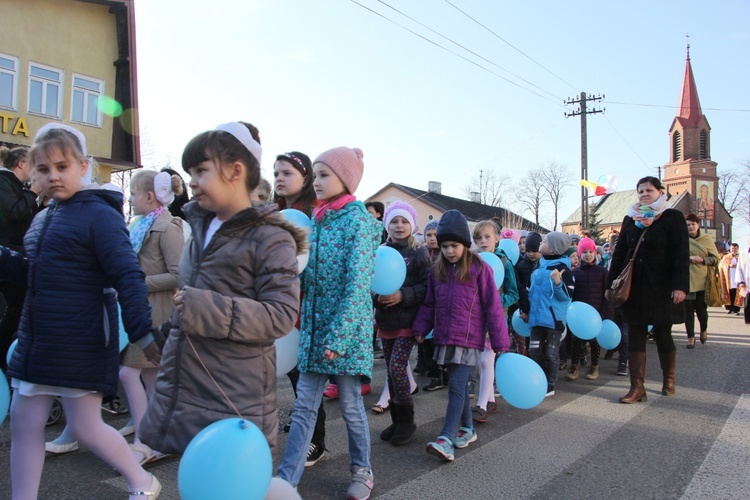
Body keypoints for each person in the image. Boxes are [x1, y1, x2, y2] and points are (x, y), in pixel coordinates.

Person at [1, 123, 161, 499]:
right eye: (43, 169)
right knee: (25, 423)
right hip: (39, 336)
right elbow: (35, 273)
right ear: (34, 172)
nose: (53, 176)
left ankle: (141, 481)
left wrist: (141, 331)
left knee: (87, 426)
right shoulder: (44, 217)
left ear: (83, 165)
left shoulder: (100, 215)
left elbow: (127, 273)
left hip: (81, 338)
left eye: (62, 166)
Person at [139, 122, 306, 458]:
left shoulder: (271, 238)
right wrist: (161, 338)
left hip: (232, 390)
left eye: (201, 170)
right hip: (189, 382)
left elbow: (281, 316)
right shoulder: (200, 229)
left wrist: (202, 307)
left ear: (236, 171)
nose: (191, 182)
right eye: (190, 172)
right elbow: (190, 300)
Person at [277, 146, 381, 500]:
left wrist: (338, 337)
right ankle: (285, 481)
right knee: (304, 406)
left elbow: (357, 287)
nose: (316, 182)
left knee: (351, 405)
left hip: (345, 335)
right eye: (315, 174)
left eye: (324, 175)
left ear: (345, 180)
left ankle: (362, 471)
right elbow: (308, 277)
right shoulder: (314, 221)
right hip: (313, 331)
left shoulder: (360, 223)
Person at [412, 209, 509, 462]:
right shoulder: (437, 271)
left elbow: (493, 307)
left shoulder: (480, 269)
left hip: (469, 338)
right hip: (446, 336)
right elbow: (429, 304)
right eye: (444, 246)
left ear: (465, 244)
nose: (449, 251)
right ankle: (467, 429)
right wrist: (420, 329)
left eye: (454, 245)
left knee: (456, 385)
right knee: (458, 388)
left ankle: (446, 437)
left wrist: (500, 341)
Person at [117, 170, 184, 465]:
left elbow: (179, 274)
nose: (130, 199)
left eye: (133, 193)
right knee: (151, 378)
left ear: (149, 196)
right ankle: (155, 434)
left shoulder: (168, 227)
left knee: (128, 373)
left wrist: (139, 282)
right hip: (140, 311)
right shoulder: (140, 225)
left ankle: (144, 437)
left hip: (157, 314)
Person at [608, 176, 688, 403]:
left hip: (662, 288)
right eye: (640, 191)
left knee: (663, 334)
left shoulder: (672, 217)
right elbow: (621, 254)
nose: (644, 194)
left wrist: (680, 286)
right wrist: (610, 284)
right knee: (635, 335)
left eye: (649, 190)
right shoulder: (630, 218)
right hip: (635, 288)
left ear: (660, 192)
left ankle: (668, 379)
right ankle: (637, 388)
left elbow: (680, 253)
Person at [273, 150, 329, 467]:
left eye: (286, 173)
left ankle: (316, 440)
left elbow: (314, 264)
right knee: (291, 373)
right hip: (278, 304)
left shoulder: (313, 215)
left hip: (305, 308)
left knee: (303, 378)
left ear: (304, 177)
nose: (279, 178)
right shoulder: (276, 213)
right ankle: (303, 424)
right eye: (276, 173)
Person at [373, 201, 430, 446]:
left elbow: (427, 287)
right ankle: (395, 420)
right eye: (394, 221)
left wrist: (402, 295)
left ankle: (407, 420)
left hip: (408, 320)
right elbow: (371, 282)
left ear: (412, 224)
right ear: (387, 225)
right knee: (391, 371)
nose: (399, 226)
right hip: (386, 319)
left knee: (398, 368)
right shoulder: (380, 251)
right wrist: (378, 297)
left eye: (404, 221)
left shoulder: (419, 253)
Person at [471, 220, 518, 423]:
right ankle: (489, 400)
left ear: (497, 238)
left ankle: (481, 405)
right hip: (475, 317)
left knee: (486, 359)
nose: (483, 241)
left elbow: (513, 293)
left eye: (487, 237)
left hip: (496, 318)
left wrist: (496, 300)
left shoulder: (504, 262)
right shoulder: (473, 260)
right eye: (479, 238)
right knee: (480, 360)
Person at [0, 145, 40, 369]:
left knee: (19, 306)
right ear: (22, 163)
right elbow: (13, 213)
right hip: (7, 257)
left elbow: (27, 219)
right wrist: (32, 192)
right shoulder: (3, 182)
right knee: (17, 306)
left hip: (16, 256)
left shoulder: (16, 186)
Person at [520, 232, 574, 397]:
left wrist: (558, 283)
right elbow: (530, 292)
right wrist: (526, 310)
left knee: (551, 353)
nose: (541, 243)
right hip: (536, 319)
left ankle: (549, 384)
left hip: (553, 321)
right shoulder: (538, 267)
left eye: (545, 241)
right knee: (535, 350)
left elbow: (567, 296)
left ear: (554, 247)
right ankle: (538, 380)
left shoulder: (565, 270)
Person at [566, 237, 613, 382]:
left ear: (595, 253)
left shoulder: (602, 272)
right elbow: (571, 295)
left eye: (590, 251)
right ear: (579, 254)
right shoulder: (574, 273)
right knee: (577, 341)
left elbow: (607, 294)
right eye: (584, 252)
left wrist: (608, 314)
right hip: (580, 316)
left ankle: (594, 366)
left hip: (596, 313)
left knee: (594, 341)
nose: (588, 255)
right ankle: (574, 366)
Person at [684, 213, 720, 348]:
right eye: (687, 225)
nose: (690, 227)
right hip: (686, 280)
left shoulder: (706, 239)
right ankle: (690, 337)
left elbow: (716, 258)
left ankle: (703, 329)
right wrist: (688, 259)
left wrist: (703, 260)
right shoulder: (681, 239)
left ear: (698, 225)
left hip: (702, 281)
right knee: (688, 310)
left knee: (701, 310)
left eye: (693, 224)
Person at [514, 231, 543, 356]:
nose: (531, 254)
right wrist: (524, 309)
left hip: (541, 308)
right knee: (528, 339)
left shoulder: (544, 265)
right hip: (526, 306)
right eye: (528, 251)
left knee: (540, 339)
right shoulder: (521, 265)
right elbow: (519, 288)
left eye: (534, 251)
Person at [719, 243, 742, 315]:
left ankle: (736, 309)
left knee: (737, 293)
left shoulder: (741, 257)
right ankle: (729, 308)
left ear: (737, 249)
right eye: (732, 248)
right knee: (729, 292)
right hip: (729, 277)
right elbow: (721, 266)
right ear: (730, 249)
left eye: (735, 248)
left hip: (738, 277)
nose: (734, 250)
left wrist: (737, 265)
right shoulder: (726, 257)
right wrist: (729, 265)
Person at [736, 236, 750, 324]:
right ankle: (748, 319)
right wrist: (740, 281)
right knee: (748, 302)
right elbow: (739, 268)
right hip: (747, 282)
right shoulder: (744, 253)